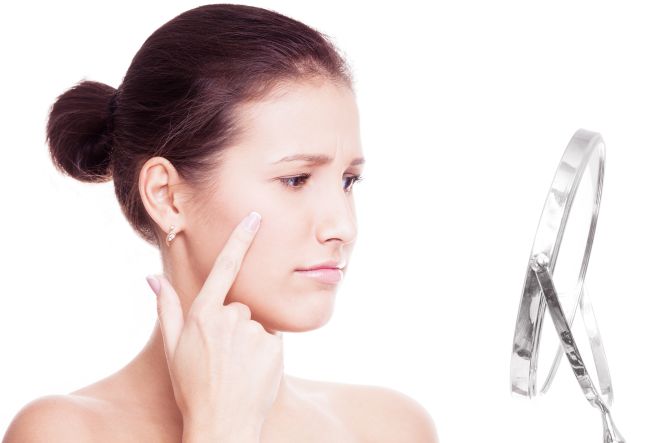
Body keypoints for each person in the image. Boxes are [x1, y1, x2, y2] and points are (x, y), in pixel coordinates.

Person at [3, 4, 438, 442]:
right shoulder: (65, 433)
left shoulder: (391, 427)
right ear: (167, 196)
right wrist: (221, 428)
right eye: (295, 179)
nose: (343, 226)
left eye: (348, 180)